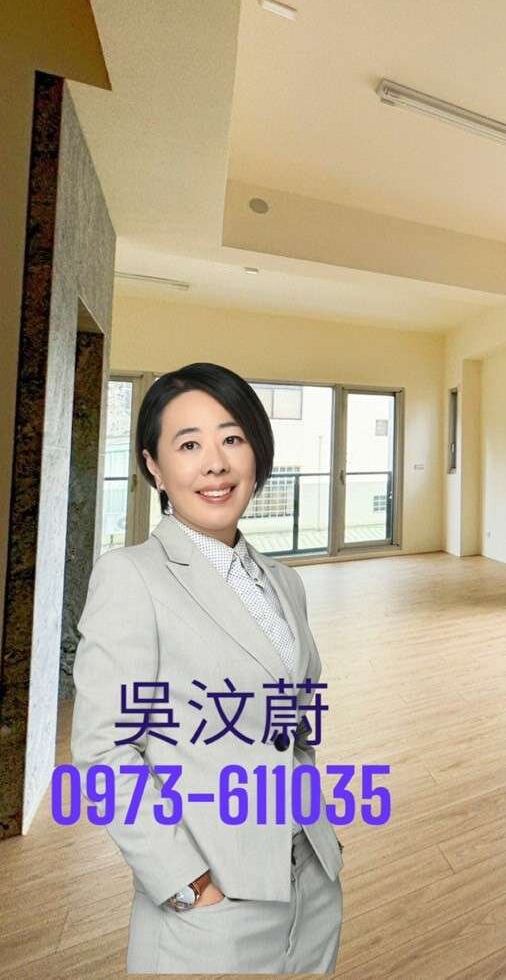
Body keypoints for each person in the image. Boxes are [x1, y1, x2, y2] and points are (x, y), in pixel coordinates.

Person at [70, 363, 344, 973]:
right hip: (212, 908)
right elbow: (103, 751)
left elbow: (294, 728)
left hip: (311, 886)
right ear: (153, 466)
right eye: (189, 445)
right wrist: (189, 885)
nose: (215, 464)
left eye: (232, 438)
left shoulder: (285, 583)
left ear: (257, 454)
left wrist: (318, 841)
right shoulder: (131, 576)